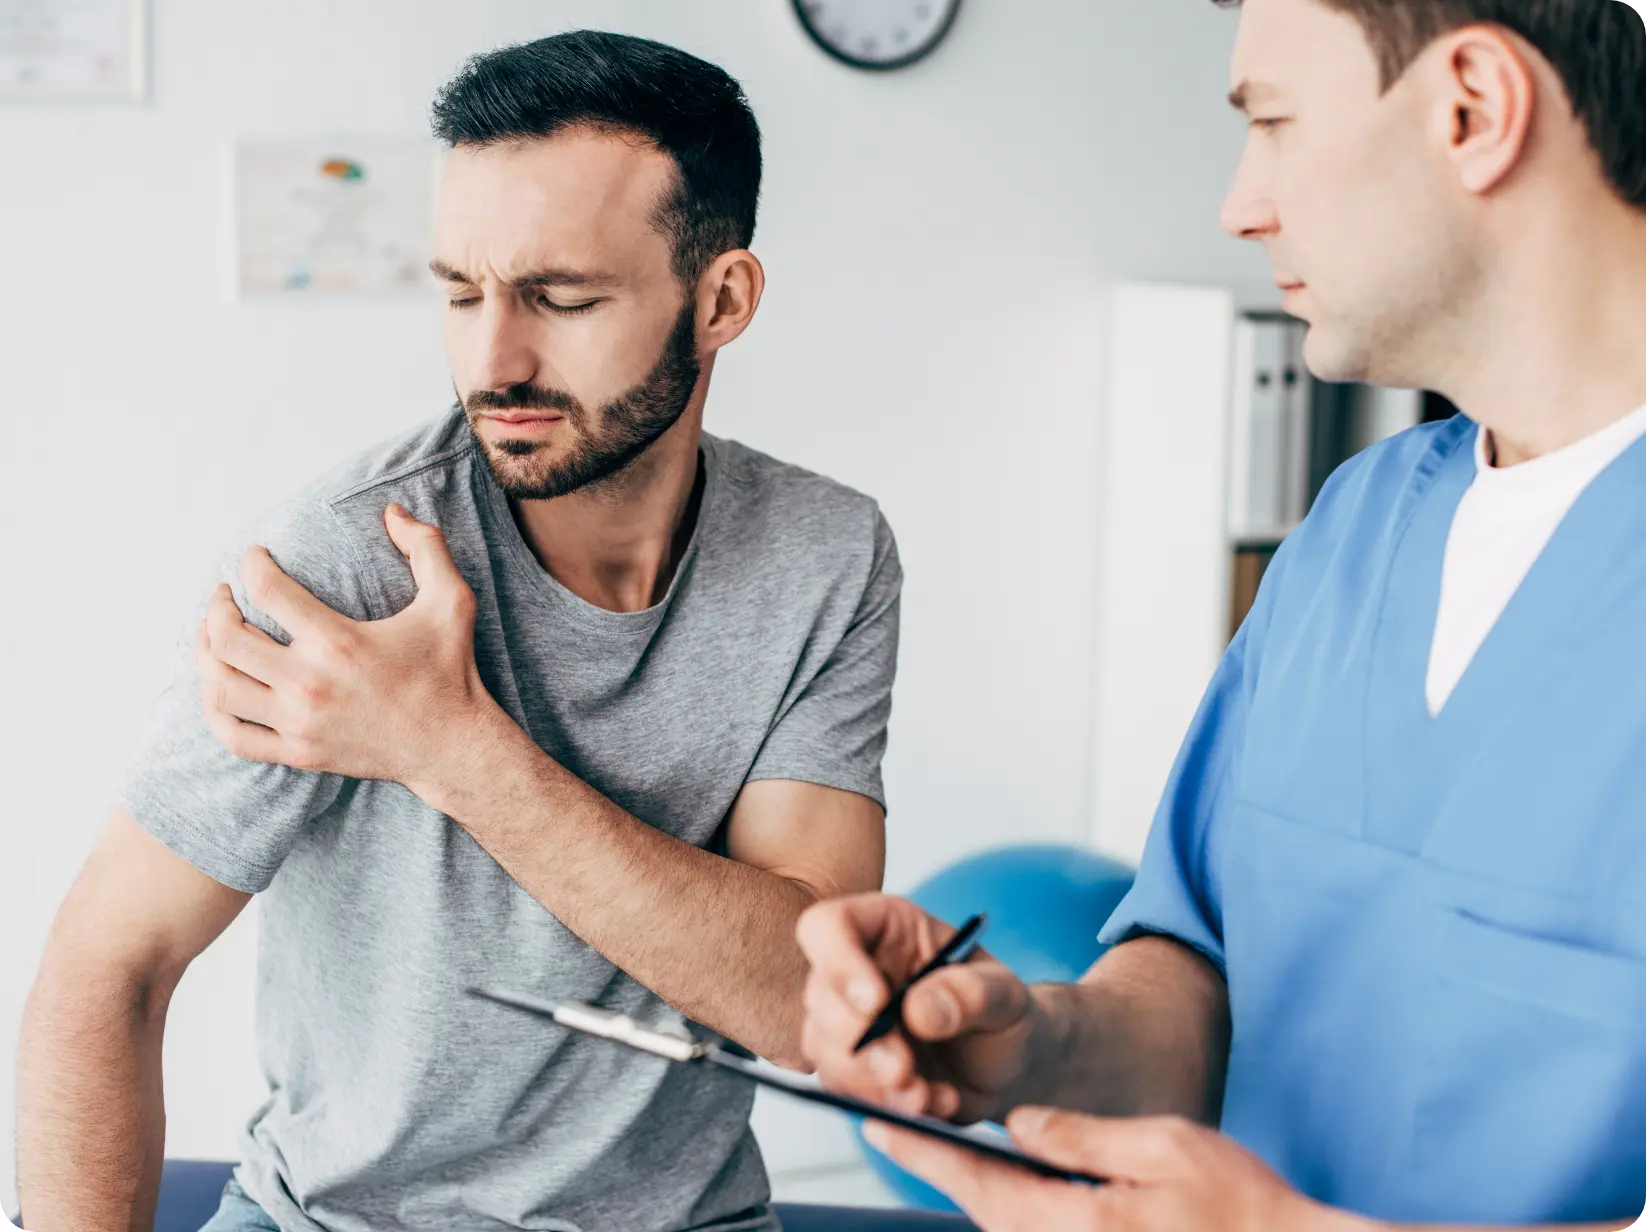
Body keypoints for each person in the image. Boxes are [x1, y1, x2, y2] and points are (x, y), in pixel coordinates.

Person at [16, 31, 900, 1232]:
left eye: (561, 298)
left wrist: (450, 748)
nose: (493, 361)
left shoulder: (824, 553)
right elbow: (106, 965)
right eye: (460, 293)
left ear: (720, 299)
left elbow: (806, 1004)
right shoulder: (343, 568)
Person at [795, 0, 1646, 1228]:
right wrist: (1033, 1042)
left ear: (1471, 108)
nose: (1239, 205)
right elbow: (1205, 977)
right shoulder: (1357, 527)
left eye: (1273, 123)